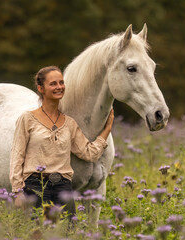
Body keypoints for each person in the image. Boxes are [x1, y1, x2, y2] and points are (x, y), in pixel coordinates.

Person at [9, 66, 114, 217]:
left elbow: (89, 153)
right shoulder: (27, 119)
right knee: (37, 232)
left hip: (63, 188)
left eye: (61, 82)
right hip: (35, 186)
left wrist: (107, 129)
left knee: (67, 232)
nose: (59, 87)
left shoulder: (69, 123)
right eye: (53, 84)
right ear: (41, 88)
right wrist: (18, 191)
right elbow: (17, 155)